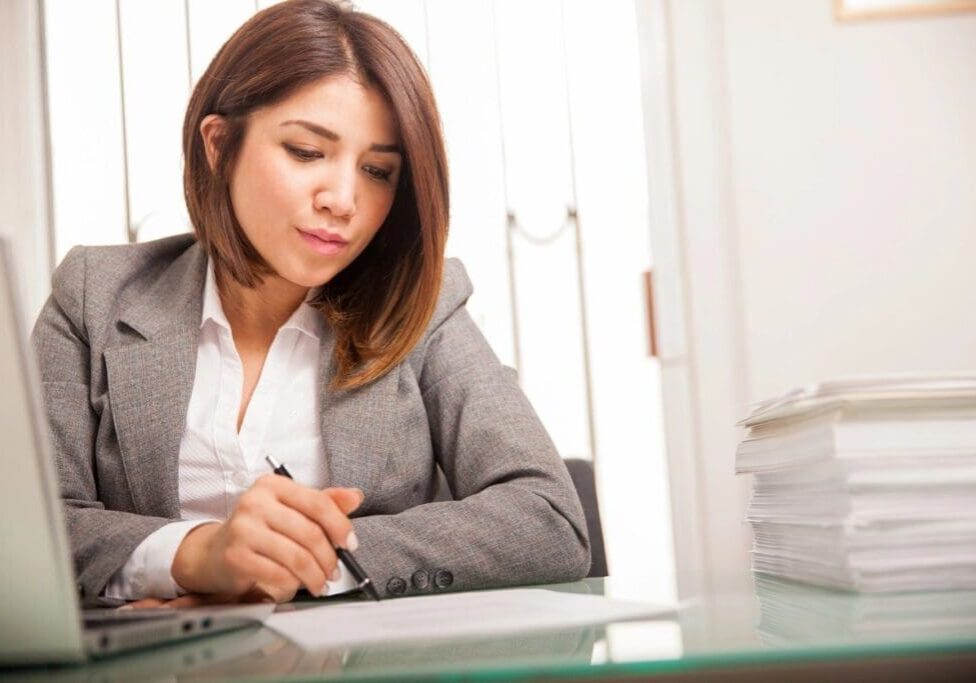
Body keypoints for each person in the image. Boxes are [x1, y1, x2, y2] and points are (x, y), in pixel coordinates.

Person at [31, 0, 589, 608]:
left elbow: (548, 518)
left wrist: (306, 568)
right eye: (305, 152)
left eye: (378, 170)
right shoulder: (93, 294)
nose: (344, 199)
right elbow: (31, 528)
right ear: (219, 147)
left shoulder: (424, 308)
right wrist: (198, 555)